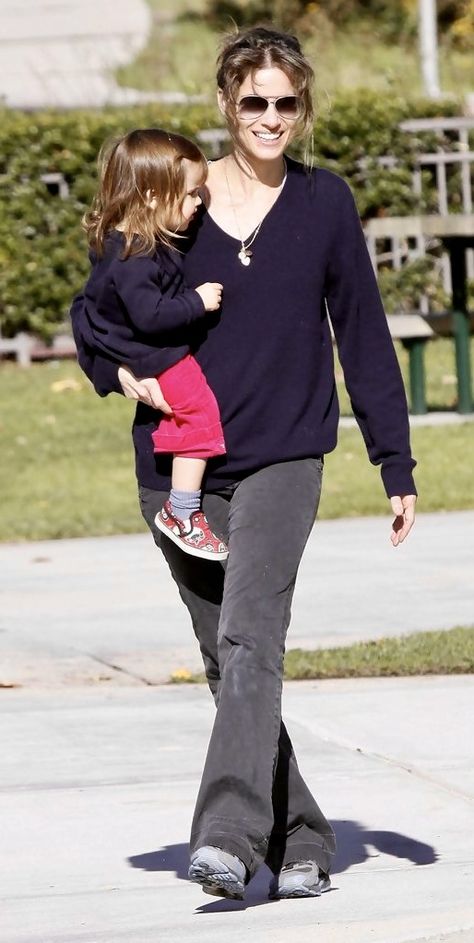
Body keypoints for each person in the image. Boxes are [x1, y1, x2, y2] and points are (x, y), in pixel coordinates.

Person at [71, 25, 417, 902]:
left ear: (303, 109)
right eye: (253, 101)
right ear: (226, 103)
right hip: (176, 467)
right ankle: (303, 831)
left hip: (285, 454)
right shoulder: (175, 201)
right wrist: (118, 374)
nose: (270, 117)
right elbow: (92, 307)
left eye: (286, 103)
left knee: (251, 635)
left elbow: (366, 335)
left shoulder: (325, 203)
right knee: (231, 663)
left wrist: (395, 460)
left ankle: (227, 834)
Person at [76, 128, 228, 560]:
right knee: (200, 415)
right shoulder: (135, 257)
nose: (198, 203)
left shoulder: (122, 244)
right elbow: (152, 316)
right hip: (154, 357)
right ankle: (183, 512)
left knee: (185, 418)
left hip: (141, 357)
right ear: (152, 197)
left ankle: (181, 503)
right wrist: (196, 302)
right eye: (189, 195)